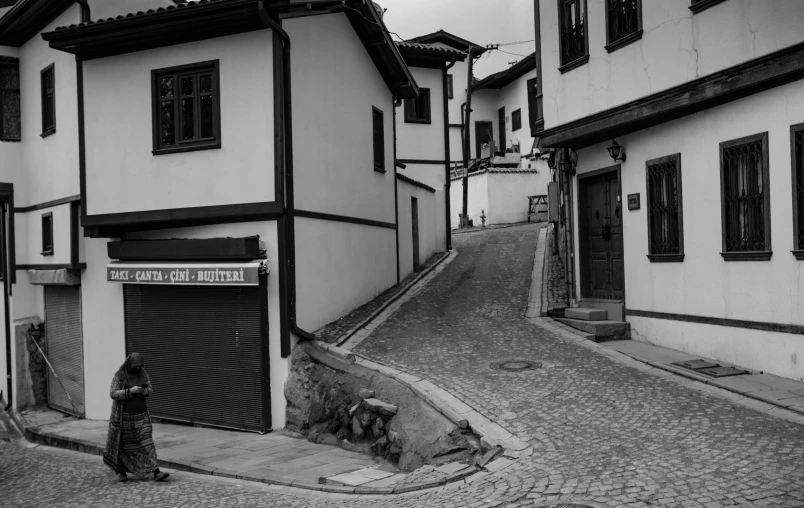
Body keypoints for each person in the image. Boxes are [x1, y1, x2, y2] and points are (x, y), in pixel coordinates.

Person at [103, 352, 169, 482]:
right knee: (124, 446)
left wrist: (144, 391)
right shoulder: (119, 376)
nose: (138, 369)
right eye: (136, 367)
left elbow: (150, 388)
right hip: (124, 418)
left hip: (141, 415)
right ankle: (121, 472)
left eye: (140, 367)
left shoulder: (143, 373)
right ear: (130, 365)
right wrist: (130, 391)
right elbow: (113, 393)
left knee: (147, 442)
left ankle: (156, 472)